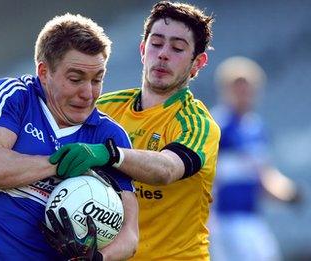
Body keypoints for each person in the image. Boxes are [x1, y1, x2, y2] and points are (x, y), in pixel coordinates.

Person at [0, 13, 139, 260]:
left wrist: (97, 258)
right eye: (75, 79)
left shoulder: (109, 137)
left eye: (97, 80)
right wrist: (58, 164)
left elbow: (130, 236)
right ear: (44, 72)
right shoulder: (14, 96)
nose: (88, 93)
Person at [48, 1, 220, 260]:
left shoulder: (198, 124)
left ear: (198, 63)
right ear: (142, 49)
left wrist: (111, 155)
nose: (163, 54)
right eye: (156, 43)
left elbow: (167, 169)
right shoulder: (105, 108)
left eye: (177, 48)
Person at [208, 56, 301, 261]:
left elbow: (263, 175)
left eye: (248, 89)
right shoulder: (217, 126)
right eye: (237, 88)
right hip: (223, 220)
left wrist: (289, 194)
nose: (244, 95)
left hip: (251, 218)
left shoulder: (256, 128)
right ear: (225, 90)